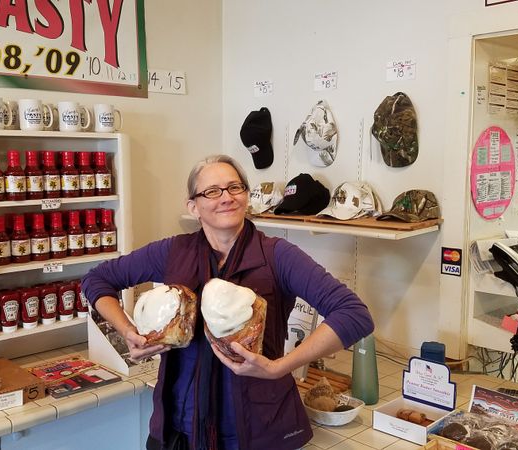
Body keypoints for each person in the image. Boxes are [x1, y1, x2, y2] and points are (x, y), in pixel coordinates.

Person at [82, 155, 374, 450]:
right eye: (212, 191)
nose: (226, 197)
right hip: (179, 429)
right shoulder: (172, 252)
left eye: (235, 187)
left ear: (246, 197)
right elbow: (96, 281)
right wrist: (129, 332)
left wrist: (280, 367)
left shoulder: (278, 257)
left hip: (257, 430)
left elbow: (354, 315)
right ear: (193, 207)